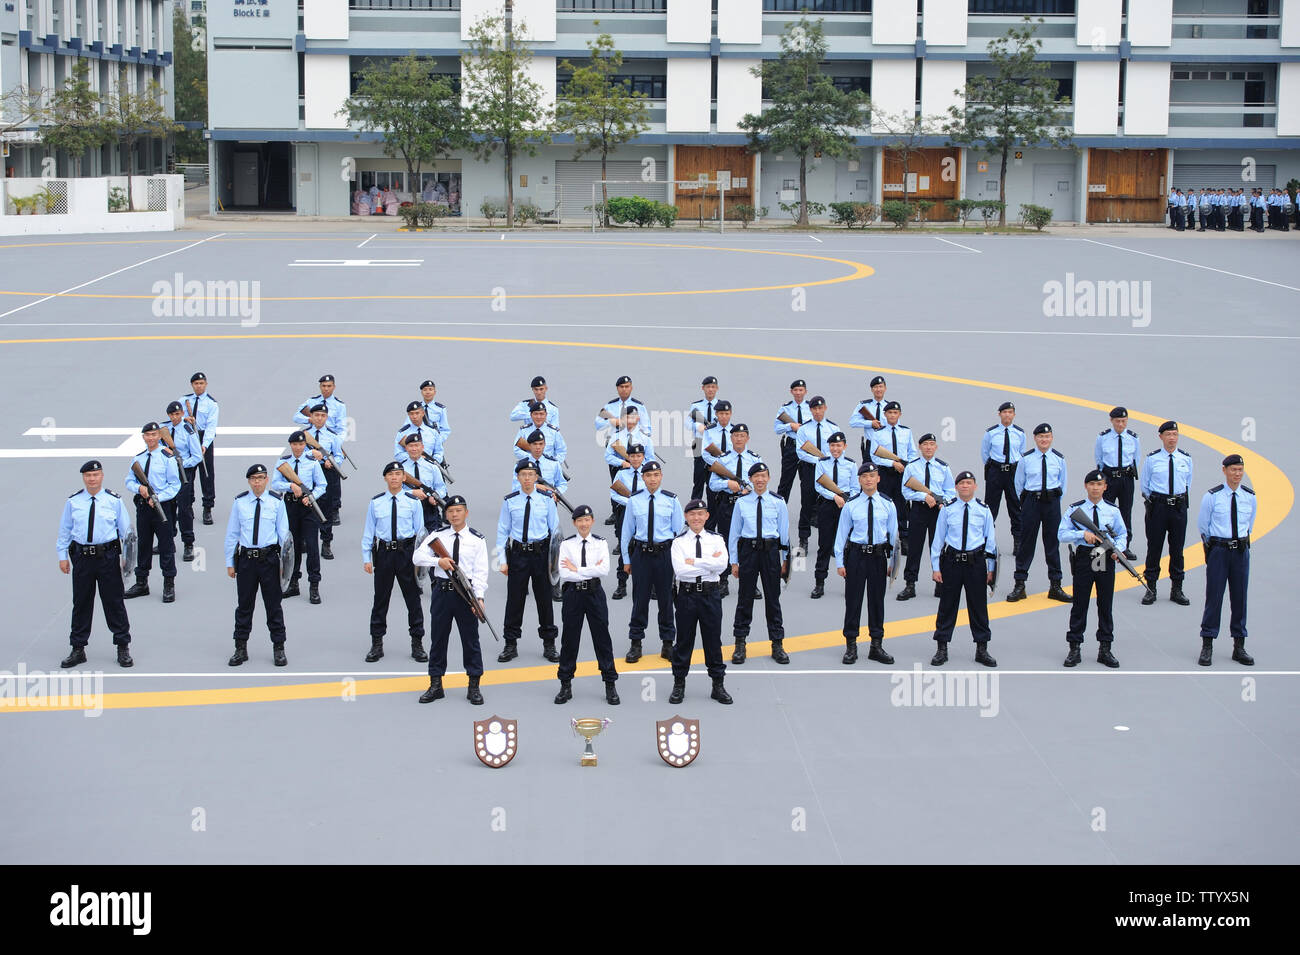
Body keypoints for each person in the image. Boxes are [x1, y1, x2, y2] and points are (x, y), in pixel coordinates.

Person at [57, 460, 134, 668]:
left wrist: (127, 561)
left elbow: (127, 533)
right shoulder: (74, 502)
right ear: (84, 478)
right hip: (82, 557)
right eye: (88, 476)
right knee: (81, 602)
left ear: (102, 476)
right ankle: (78, 648)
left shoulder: (114, 501)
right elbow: (65, 530)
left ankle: (122, 646)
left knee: (114, 602)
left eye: (96, 475)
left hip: (107, 557)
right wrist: (62, 555)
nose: (92, 479)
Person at [414, 494, 490, 704]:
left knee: (470, 639)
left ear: (466, 513)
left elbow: (481, 572)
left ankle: (474, 685)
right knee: (438, 638)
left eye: (458, 511)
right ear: (445, 515)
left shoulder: (477, 539)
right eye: (450, 511)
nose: (454, 515)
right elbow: (417, 557)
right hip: (442, 592)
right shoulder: (437, 535)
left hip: (466, 594)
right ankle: (436, 684)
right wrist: (438, 562)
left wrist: (479, 598)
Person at [1058, 470, 1127, 668]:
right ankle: (1075, 646)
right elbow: (1061, 534)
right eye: (1092, 484)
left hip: (1105, 556)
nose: (1095, 488)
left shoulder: (1113, 510)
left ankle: (1105, 648)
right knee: (1080, 603)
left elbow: (1122, 534)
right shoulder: (1075, 510)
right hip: (1085, 557)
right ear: (1086, 486)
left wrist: (1118, 550)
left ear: (1105, 487)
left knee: (1105, 604)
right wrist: (1082, 534)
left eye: (1099, 485)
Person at [224, 464, 291, 667]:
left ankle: (279, 647)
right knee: (244, 606)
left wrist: (285, 566)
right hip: (246, 561)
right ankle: (240, 648)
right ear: (249, 481)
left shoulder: (276, 502)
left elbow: (284, 536)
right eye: (253, 478)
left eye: (261, 478)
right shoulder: (240, 502)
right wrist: (230, 562)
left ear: (267, 480)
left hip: (269, 559)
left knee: (273, 606)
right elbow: (232, 534)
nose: (257, 482)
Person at [553, 504, 619, 706]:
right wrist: (589, 569)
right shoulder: (566, 544)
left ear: (592, 521)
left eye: (587, 520)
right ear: (574, 523)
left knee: (602, 638)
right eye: (579, 520)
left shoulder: (600, 543)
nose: (583, 523)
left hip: (594, 593)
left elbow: (604, 570)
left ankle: (610, 683)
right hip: (573, 594)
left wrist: (578, 569)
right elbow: (564, 573)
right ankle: (565, 683)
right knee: (570, 639)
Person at [929, 471, 997, 667]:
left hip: (976, 563)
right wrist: (936, 567)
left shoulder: (983, 510)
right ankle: (942, 647)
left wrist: (991, 569)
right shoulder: (948, 510)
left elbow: (990, 542)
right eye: (961, 483)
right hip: (952, 562)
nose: (965, 486)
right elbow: (938, 541)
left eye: (969, 483)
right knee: (947, 606)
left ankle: (982, 648)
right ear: (956, 487)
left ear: (975, 486)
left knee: (978, 606)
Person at [361, 462, 427, 664]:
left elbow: (421, 534)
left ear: (404, 478)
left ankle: (417, 643)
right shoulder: (376, 502)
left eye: (398, 474)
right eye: (390, 474)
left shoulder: (413, 502)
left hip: (406, 553)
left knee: (413, 599)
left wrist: (421, 562)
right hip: (384, 554)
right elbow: (368, 532)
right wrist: (367, 558)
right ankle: (377, 643)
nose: (394, 478)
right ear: (385, 478)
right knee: (380, 599)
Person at [495, 461, 560, 663]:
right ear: (518, 477)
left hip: (540, 554)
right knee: (515, 601)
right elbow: (502, 532)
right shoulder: (510, 501)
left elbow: (556, 532)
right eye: (523, 474)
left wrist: (554, 562)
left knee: (544, 600)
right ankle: (510, 643)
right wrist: (502, 560)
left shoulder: (547, 500)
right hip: (518, 555)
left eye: (531, 474)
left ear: (536, 477)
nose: (527, 478)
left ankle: (549, 644)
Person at [669, 499, 733, 705]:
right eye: (692, 514)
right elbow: (681, 570)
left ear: (707, 516)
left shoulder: (716, 539)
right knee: (684, 641)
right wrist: (708, 563)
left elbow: (722, 565)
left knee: (713, 640)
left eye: (700, 514)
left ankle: (718, 684)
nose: (696, 518)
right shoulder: (679, 542)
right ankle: (679, 683)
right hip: (686, 595)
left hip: (710, 594)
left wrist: (694, 561)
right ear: (686, 517)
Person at [833, 463, 898, 665]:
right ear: (859, 480)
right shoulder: (851, 505)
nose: (869, 479)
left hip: (879, 556)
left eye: (872, 476)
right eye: (864, 476)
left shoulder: (888, 504)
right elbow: (841, 535)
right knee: (853, 601)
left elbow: (894, 537)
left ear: (878, 478)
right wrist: (840, 562)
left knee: (877, 601)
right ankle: (851, 645)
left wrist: (893, 565)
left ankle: (876, 645)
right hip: (857, 556)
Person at [621, 460, 684, 663]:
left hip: (664, 554)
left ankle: (667, 643)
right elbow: (626, 532)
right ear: (643, 478)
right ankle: (636, 643)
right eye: (648, 476)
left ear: (661, 477)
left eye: (656, 475)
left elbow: (677, 529)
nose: (652, 479)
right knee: (640, 599)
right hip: (642, 555)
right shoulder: (634, 500)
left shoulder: (671, 500)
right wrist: (626, 559)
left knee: (666, 600)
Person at [727, 462, 790, 665]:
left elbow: (785, 534)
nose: (760, 480)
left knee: (773, 599)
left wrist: (785, 560)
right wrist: (734, 561)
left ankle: (777, 644)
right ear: (751, 479)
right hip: (749, 552)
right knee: (745, 599)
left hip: (771, 552)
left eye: (763, 476)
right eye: (756, 476)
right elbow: (734, 534)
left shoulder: (778, 502)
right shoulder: (742, 502)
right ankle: (740, 643)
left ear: (769, 478)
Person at [1196, 454, 1256, 667]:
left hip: (1240, 551)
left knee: (1240, 598)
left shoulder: (1250, 496)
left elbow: (1249, 525)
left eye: (1240, 470)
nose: (1237, 474)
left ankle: (1239, 646)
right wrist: (1213, 550)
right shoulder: (1212, 497)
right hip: (1219, 551)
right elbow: (1204, 526)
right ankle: (1207, 644)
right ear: (1224, 471)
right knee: (1214, 597)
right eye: (1233, 470)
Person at [1008, 423, 1070, 603]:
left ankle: (1056, 585)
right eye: (1041, 437)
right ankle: (1019, 584)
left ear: (1051, 438)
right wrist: (1027, 501)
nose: (1044, 439)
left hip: (1051, 503)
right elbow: (1019, 483)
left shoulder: (1059, 459)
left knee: (1052, 544)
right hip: (1032, 503)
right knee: (1026, 544)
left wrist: (1054, 499)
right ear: (1035, 438)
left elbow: (1062, 483)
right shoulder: (1026, 459)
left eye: (1048, 436)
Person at [123, 421, 181, 603]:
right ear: (143, 437)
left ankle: (169, 583)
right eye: (147, 435)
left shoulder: (167, 457)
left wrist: (157, 497)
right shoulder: (138, 459)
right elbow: (128, 481)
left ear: (159, 436)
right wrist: (140, 488)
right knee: (144, 544)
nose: (151, 438)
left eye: (154, 435)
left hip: (161, 507)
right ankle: (142, 582)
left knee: (166, 546)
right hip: (143, 507)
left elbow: (175, 485)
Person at [1139, 420, 1193, 606]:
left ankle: (1176, 588)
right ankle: (1150, 588)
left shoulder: (1186, 459)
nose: (1172, 438)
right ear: (1161, 437)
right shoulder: (1152, 459)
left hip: (1178, 506)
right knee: (1154, 547)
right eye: (1168, 434)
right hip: (1159, 507)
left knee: (1177, 549)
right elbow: (1145, 486)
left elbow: (1187, 484)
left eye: (1175, 434)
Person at [707, 423, 763, 601]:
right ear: (731, 439)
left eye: (742, 435)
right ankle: (723, 580)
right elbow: (712, 484)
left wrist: (750, 489)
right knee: (724, 542)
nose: (739, 439)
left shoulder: (755, 459)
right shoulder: (722, 460)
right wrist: (728, 484)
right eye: (736, 436)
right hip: (728, 505)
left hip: (748, 506)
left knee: (747, 543)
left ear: (747, 438)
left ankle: (749, 582)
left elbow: (762, 481)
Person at [897, 433, 956, 601]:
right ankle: (910, 584)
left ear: (936, 447)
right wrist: (924, 497)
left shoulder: (943, 467)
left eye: (932, 444)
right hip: (918, 510)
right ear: (920, 447)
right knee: (914, 547)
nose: (929, 447)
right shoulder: (912, 467)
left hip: (938, 511)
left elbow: (950, 491)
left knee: (937, 547)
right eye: (925, 444)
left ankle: (940, 582)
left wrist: (943, 502)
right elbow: (906, 491)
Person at [272, 432, 327, 604]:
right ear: (290, 445)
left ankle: (314, 585)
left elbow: (322, 485)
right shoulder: (283, 462)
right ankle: (292, 582)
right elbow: (275, 483)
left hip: (308, 507)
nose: (297, 447)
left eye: (301, 444)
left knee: (311, 546)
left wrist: (311, 497)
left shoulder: (312, 463)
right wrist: (290, 485)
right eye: (294, 444)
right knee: (291, 546)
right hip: (290, 506)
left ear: (305, 446)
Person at [293, 374, 348, 521]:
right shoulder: (311, 401)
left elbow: (342, 427)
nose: (326, 389)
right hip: (311, 440)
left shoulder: (339, 405)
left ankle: (334, 507)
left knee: (334, 476)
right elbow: (296, 416)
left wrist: (337, 441)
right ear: (320, 387)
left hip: (329, 441)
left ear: (334, 387)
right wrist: (310, 419)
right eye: (323, 386)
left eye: (329, 386)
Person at [810, 430, 856, 599]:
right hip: (827, 506)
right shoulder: (821, 463)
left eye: (838, 445)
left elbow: (856, 488)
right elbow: (819, 487)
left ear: (844, 447)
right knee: (825, 545)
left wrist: (846, 500)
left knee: (848, 546)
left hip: (846, 506)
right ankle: (819, 583)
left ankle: (850, 583)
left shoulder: (851, 465)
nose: (835, 448)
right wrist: (835, 496)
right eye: (832, 445)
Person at [1094, 406, 1140, 560]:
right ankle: (1105, 544)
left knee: (1126, 512)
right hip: (1109, 478)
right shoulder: (1103, 437)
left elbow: (1136, 459)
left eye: (1123, 421)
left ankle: (1124, 546)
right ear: (1111, 421)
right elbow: (1099, 460)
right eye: (1118, 421)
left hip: (1126, 478)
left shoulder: (1133, 438)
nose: (1121, 424)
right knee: (1106, 511)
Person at [867, 401, 915, 548]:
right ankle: (885, 537)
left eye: (895, 413)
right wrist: (893, 463)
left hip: (902, 473)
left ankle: (903, 535)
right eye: (890, 413)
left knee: (902, 504)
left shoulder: (906, 432)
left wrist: (907, 468)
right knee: (884, 503)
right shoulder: (878, 433)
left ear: (899, 414)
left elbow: (912, 452)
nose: (892, 415)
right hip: (885, 472)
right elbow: (874, 456)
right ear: (885, 414)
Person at [792, 395, 838, 552]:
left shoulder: (833, 428)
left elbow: (838, 449)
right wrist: (818, 460)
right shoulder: (804, 429)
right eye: (814, 409)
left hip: (828, 471)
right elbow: (800, 452)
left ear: (825, 408)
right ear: (810, 410)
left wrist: (827, 460)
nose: (818, 411)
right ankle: (803, 538)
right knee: (807, 504)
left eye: (820, 408)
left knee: (828, 505)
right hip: (810, 469)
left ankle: (830, 542)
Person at [981, 401, 1026, 549]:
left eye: (1010, 412)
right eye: (1004, 412)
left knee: (1015, 506)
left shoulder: (1020, 433)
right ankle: (988, 540)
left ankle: (1018, 541)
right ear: (999, 414)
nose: (1007, 415)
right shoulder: (991, 433)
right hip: (996, 471)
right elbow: (985, 454)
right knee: (991, 506)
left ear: (1014, 415)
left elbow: (1021, 453)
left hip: (1013, 472)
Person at [163, 400, 203, 563]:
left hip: (183, 472)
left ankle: (188, 543)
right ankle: (168, 540)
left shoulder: (188, 431)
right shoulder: (163, 429)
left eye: (177, 414)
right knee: (168, 506)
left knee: (184, 508)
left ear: (182, 414)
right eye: (172, 414)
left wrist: (180, 462)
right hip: (167, 472)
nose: (175, 417)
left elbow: (197, 456)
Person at [608, 443, 648, 600]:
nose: (636, 459)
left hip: (644, 513)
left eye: (639, 456)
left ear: (643, 457)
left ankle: (647, 585)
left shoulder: (649, 472)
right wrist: (630, 501)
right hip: (625, 512)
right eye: (632, 456)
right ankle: (621, 584)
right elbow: (614, 494)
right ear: (628, 457)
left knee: (644, 545)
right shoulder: (622, 474)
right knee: (624, 545)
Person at [304, 403, 343, 560]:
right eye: (316, 415)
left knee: (326, 508)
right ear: (311, 417)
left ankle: (326, 542)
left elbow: (339, 455)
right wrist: (311, 454)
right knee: (307, 506)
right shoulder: (304, 435)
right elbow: (298, 453)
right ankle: (306, 541)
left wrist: (331, 461)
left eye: (322, 416)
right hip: (308, 474)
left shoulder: (332, 436)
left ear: (326, 418)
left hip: (326, 472)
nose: (319, 418)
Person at [180, 372, 219, 525]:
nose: (199, 386)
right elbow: (174, 416)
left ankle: (207, 507)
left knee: (207, 474)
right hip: (188, 438)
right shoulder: (184, 400)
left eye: (201, 383)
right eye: (196, 384)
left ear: (206, 384)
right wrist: (185, 419)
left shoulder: (211, 404)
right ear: (192, 385)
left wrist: (204, 445)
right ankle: (187, 505)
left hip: (202, 438)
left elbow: (211, 427)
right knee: (187, 472)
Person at [401, 433, 448, 537]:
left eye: (416, 445)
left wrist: (435, 496)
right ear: (406, 448)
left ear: (422, 447)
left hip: (429, 509)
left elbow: (441, 488)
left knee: (434, 542)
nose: (414, 449)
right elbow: (395, 491)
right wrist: (412, 492)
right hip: (408, 511)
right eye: (411, 446)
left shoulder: (432, 467)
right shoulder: (401, 469)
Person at [773, 379, 811, 506]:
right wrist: (790, 426)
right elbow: (777, 428)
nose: (798, 393)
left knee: (808, 483)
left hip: (807, 446)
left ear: (805, 391)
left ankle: (811, 515)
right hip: (791, 446)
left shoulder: (812, 407)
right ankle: (779, 509)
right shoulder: (786, 408)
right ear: (791, 391)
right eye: (795, 390)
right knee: (786, 481)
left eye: (801, 390)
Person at [688, 376, 721, 500]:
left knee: (713, 481)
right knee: (698, 480)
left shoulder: (721, 405)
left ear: (717, 388)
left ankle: (712, 515)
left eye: (713, 387)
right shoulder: (696, 406)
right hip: (699, 443)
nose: (710, 390)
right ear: (703, 388)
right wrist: (697, 425)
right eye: (708, 387)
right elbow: (687, 423)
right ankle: (694, 510)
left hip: (715, 445)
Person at [848, 375, 889, 462]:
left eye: (881, 386)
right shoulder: (864, 405)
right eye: (875, 387)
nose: (878, 389)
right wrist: (870, 423)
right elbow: (853, 422)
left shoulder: (890, 407)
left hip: (886, 445)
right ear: (872, 389)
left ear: (885, 388)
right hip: (871, 445)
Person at [394, 401, 445, 465]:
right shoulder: (402, 433)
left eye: (417, 413)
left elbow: (439, 452)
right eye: (411, 414)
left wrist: (431, 462)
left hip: (429, 468)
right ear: (408, 415)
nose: (414, 416)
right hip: (409, 469)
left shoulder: (433, 432)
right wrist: (415, 457)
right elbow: (398, 455)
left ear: (423, 413)